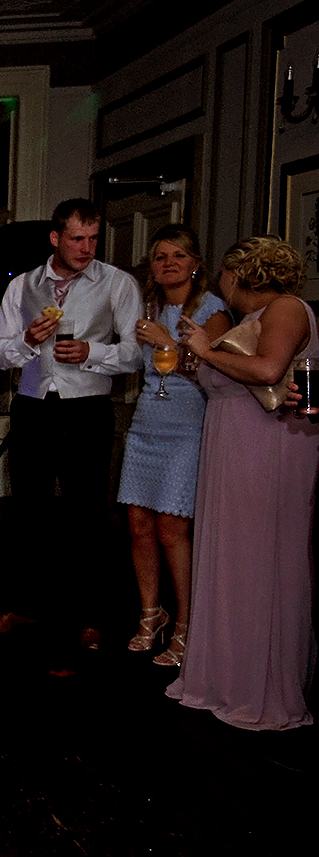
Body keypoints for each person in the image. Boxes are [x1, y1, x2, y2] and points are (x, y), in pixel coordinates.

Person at [167, 235, 318, 730]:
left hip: (267, 451)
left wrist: (205, 351)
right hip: (233, 451)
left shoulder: (286, 309)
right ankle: (226, 677)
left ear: (240, 275)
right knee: (232, 559)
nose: (220, 286)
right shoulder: (248, 321)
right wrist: (194, 357)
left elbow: (269, 369)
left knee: (261, 558)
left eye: (224, 276)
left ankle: (260, 686)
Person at [0, 198, 142, 649]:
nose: (86, 247)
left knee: (86, 514)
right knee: (29, 510)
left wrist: (94, 354)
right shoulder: (23, 286)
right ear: (55, 238)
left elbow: (135, 353)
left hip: (87, 410)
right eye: (77, 238)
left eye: (93, 239)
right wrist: (28, 342)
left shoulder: (118, 283)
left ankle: (90, 617)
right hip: (33, 406)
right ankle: (23, 608)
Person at [116, 225, 229, 665]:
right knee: (138, 525)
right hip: (147, 422)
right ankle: (151, 613)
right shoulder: (149, 306)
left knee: (172, 530)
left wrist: (169, 344)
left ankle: (187, 624)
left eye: (178, 256)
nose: (168, 263)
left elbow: (217, 372)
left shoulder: (213, 310)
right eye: (160, 257)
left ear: (195, 262)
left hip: (188, 425)